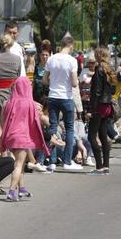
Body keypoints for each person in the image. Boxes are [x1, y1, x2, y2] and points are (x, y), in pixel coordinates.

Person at [0, 77, 49, 201]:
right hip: (22, 137)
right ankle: (11, 191)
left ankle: (22, 189)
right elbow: (37, 121)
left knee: (19, 162)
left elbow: (2, 120)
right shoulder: (31, 104)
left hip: (10, 136)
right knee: (19, 164)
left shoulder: (7, 103)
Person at [43, 34, 81, 171]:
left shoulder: (51, 59)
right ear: (70, 45)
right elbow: (75, 82)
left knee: (52, 127)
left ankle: (52, 161)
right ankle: (67, 161)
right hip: (66, 97)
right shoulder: (72, 60)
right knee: (69, 129)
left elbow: (44, 80)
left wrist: (53, 83)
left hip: (52, 96)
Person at [86, 47, 116, 175]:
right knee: (103, 135)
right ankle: (106, 165)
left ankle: (99, 166)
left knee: (91, 136)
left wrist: (90, 109)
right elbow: (113, 89)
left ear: (98, 56)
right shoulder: (109, 69)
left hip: (99, 106)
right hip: (107, 105)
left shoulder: (99, 70)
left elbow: (96, 91)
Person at [0, 34, 22, 131]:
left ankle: (1, 145)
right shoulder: (17, 59)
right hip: (13, 94)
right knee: (12, 121)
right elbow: (18, 75)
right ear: (11, 44)